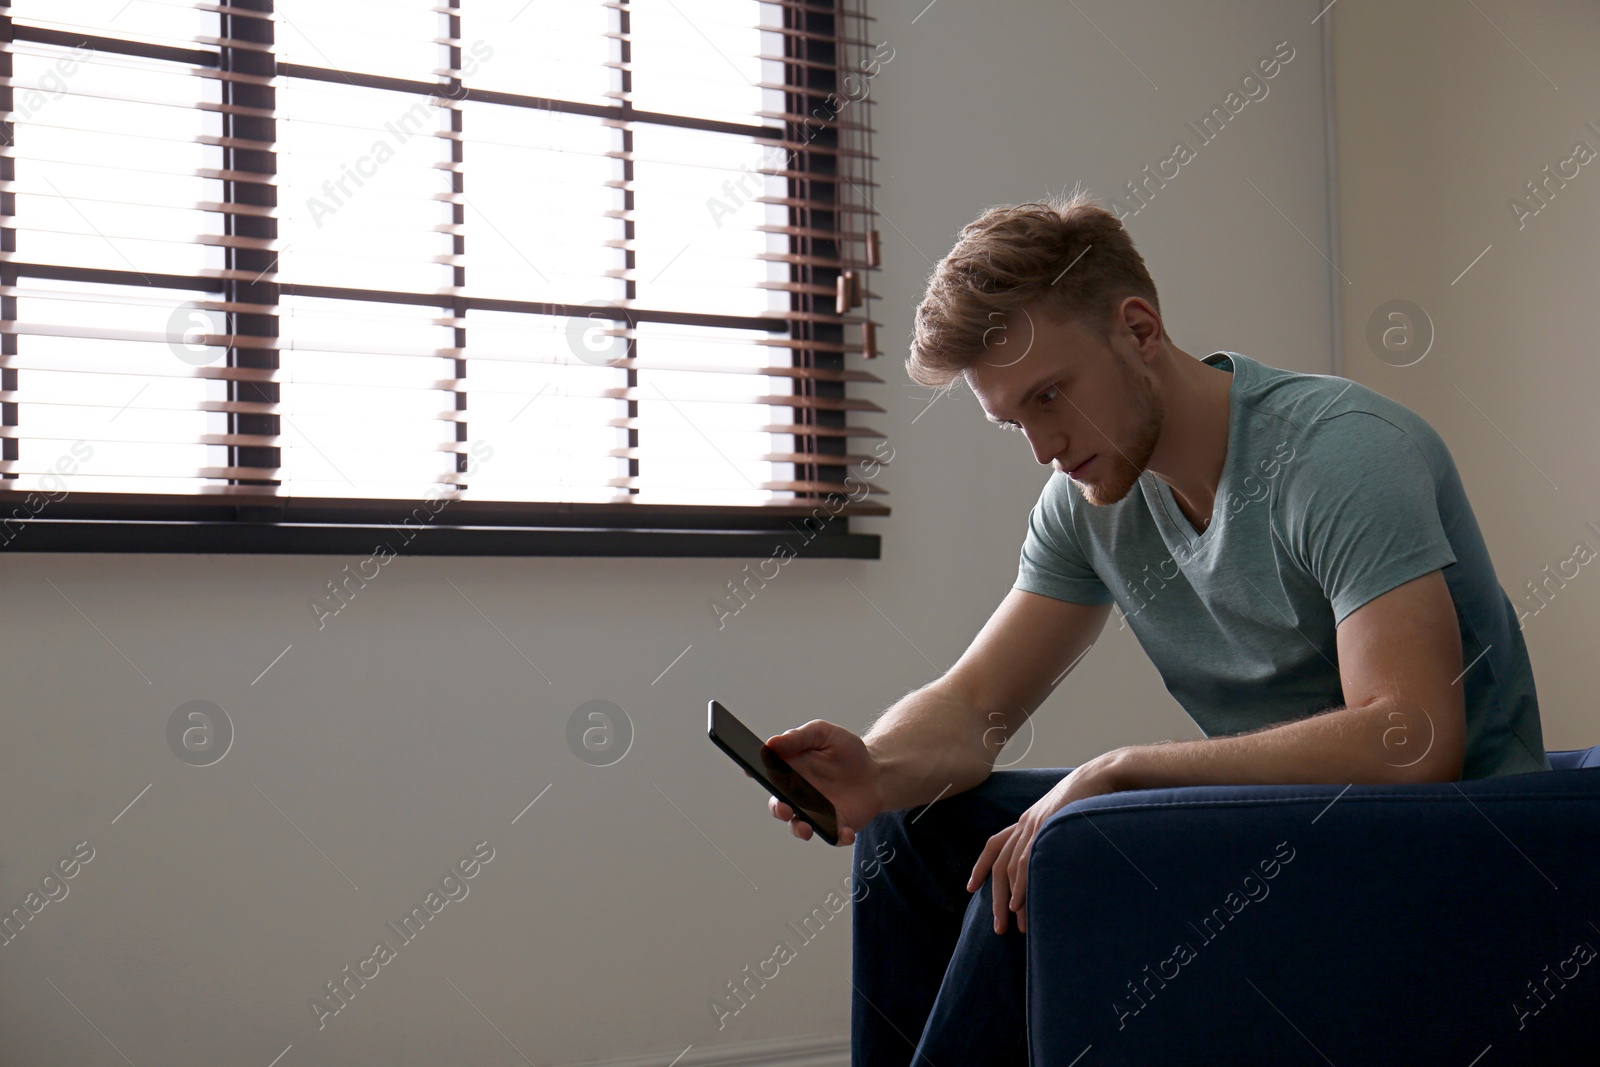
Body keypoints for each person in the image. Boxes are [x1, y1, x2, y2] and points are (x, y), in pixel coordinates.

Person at [760, 188, 1550, 1066]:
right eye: (1016, 417)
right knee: (908, 831)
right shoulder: (1089, 499)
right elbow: (976, 700)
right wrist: (878, 767)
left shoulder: (1339, 454)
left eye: (1051, 394)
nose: (1044, 444)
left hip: (1450, 841)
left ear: (1139, 328)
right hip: (1266, 830)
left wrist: (1121, 771)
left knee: (1065, 846)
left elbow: (1410, 739)